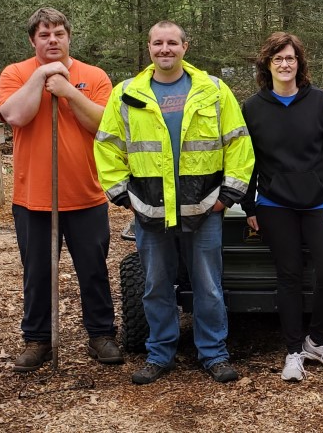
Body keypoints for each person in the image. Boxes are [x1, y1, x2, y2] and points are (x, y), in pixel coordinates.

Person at [94, 21, 254, 385]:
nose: (165, 49)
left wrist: (227, 195)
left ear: (185, 46)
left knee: (209, 285)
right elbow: (106, 144)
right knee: (155, 285)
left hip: (204, 208)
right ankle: (159, 354)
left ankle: (214, 354)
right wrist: (122, 193)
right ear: (149, 48)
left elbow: (238, 142)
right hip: (150, 210)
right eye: (158, 43)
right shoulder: (127, 93)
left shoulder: (212, 90)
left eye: (172, 43)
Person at [0, 7, 123, 371]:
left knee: (93, 270)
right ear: (32, 40)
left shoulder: (94, 76)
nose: (52, 40)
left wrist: (67, 90)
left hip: (85, 194)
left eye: (58, 34)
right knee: (37, 273)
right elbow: (16, 115)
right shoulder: (15, 73)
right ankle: (37, 340)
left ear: (69, 36)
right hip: (33, 198)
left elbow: (102, 124)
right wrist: (40, 77)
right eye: (43, 35)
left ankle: (101, 335)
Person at [241, 32, 323, 382]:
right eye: (278, 59)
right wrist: (249, 206)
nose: (285, 64)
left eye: (290, 58)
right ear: (267, 65)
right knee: (288, 276)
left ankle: (316, 341)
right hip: (275, 204)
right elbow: (248, 161)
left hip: (319, 203)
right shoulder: (253, 108)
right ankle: (292, 352)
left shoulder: (319, 101)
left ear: (299, 64)